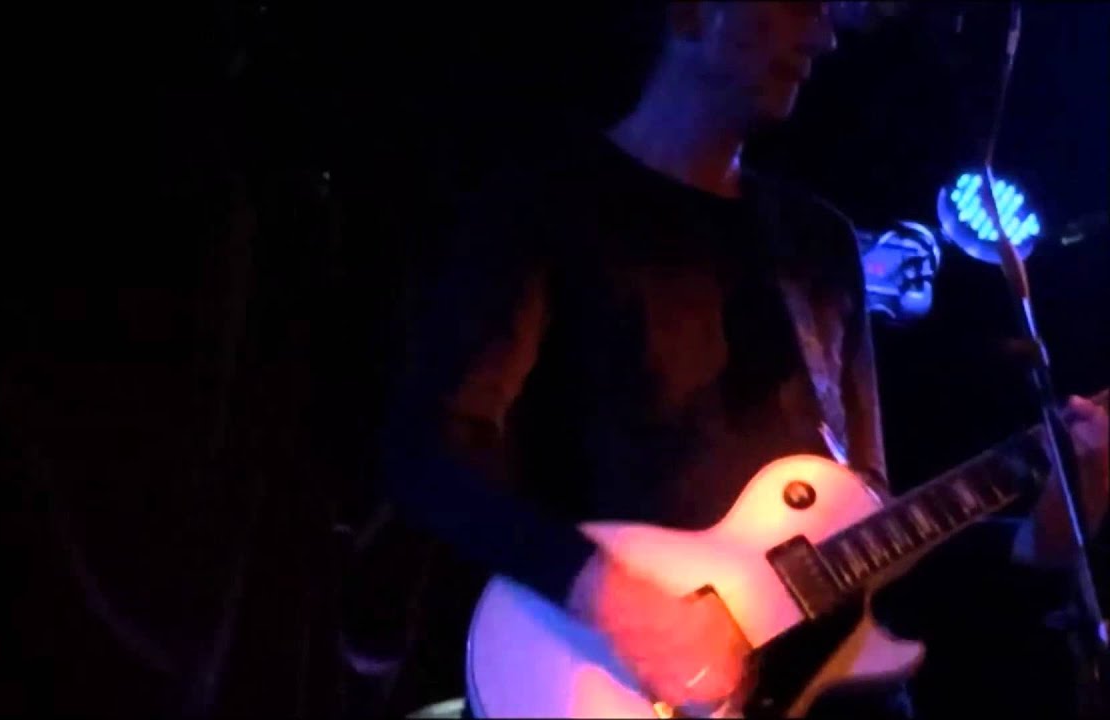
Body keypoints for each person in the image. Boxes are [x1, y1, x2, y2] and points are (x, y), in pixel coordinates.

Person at [380, 2, 1110, 716]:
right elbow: (426, 453)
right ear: (691, 15)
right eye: (796, 8)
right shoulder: (547, 203)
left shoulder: (819, 247)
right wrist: (604, 591)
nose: (823, 37)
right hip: (584, 678)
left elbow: (865, 542)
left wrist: (1037, 538)